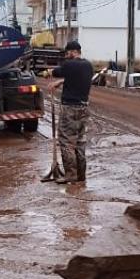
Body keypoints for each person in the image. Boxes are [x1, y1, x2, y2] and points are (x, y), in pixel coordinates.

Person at [43, 41, 93, 184]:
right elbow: (75, 78)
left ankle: (70, 175)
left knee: (66, 141)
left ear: (73, 52)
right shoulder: (88, 65)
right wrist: (60, 82)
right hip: (84, 108)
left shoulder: (69, 65)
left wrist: (48, 73)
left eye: (67, 53)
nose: (66, 56)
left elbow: (54, 72)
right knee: (80, 141)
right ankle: (81, 175)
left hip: (70, 109)